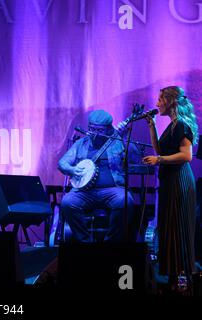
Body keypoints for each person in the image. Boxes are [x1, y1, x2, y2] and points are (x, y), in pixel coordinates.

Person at [143, 86, 198, 291]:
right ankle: (175, 282)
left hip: (180, 182)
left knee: (180, 230)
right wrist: (152, 127)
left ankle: (185, 284)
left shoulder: (182, 124)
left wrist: (159, 159)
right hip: (170, 182)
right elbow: (159, 150)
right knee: (170, 230)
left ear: (170, 101)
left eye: (160, 100)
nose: (157, 104)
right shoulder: (172, 125)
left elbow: (186, 156)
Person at [58, 110, 140, 242]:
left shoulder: (118, 141)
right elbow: (62, 163)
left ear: (109, 129)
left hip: (113, 189)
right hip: (84, 191)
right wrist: (72, 170)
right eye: (92, 129)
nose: (95, 133)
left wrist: (125, 139)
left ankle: (110, 242)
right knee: (68, 202)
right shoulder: (82, 143)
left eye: (99, 130)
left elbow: (136, 158)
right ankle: (85, 241)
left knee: (125, 201)